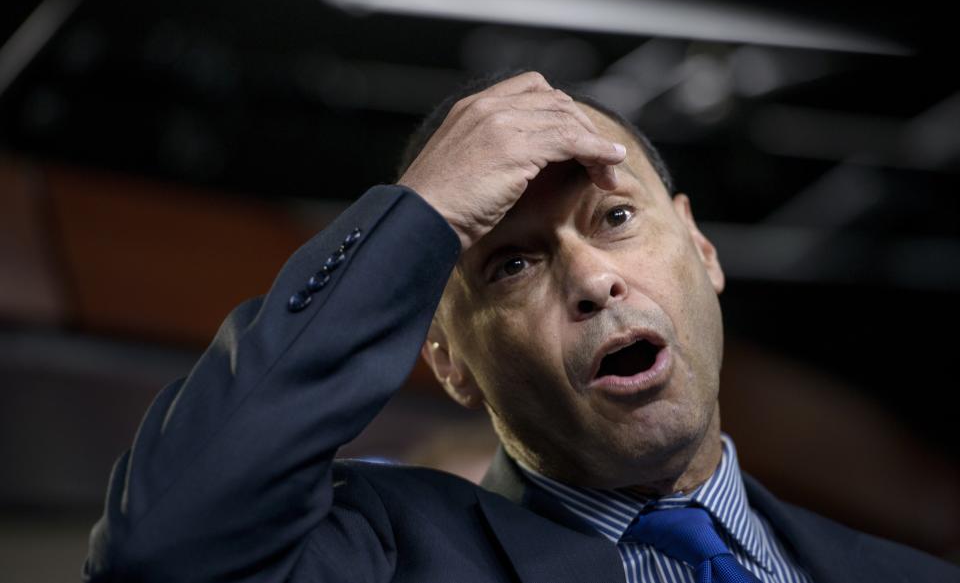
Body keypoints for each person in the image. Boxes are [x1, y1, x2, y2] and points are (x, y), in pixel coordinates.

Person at [83, 71, 958, 583]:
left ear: (701, 246)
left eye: (615, 218)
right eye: (512, 264)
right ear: (451, 363)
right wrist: (421, 214)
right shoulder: (383, 555)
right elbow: (160, 550)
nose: (591, 277)